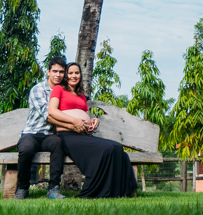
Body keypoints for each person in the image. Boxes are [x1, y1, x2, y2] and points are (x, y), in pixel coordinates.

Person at [50, 62, 138, 198]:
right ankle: (96, 190)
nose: (74, 76)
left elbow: (86, 116)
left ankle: (119, 192)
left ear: (80, 75)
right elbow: (52, 111)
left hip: (83, 135)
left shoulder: (81, 97)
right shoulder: (59, 90)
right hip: (67, 136)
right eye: (71, 73)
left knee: (117, 147)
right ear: (66, 76)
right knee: (107, 149)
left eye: (77, 73)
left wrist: (93, 122)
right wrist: (74, 121)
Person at [15, 56, 83, 200]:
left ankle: (53, 189)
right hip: (32, 133)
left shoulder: (64, 91)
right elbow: (49, 116)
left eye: (61, 72)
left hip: (50, 136)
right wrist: (74, 124)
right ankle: (22, 188)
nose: (58, 75)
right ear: (48, 72)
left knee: (58, 143)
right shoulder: (38, 90)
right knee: (26, 148)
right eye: (55, 71)